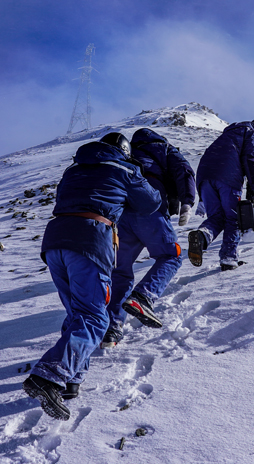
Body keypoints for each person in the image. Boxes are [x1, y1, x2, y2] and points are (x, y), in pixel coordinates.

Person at [23, 132, 161, 421]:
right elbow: (150, 203)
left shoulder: (73, 168)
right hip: (90, 240)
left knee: (78, 314)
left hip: (55, 240)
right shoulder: (124, 168)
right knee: (96, 318)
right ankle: (48, 375)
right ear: (123, 151)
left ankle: (70, 379)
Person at [102, 128, 197, 347]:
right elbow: (184, 170)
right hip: (150, 208)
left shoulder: (126, 152)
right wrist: (187, 202)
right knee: (171, 256)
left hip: (122, 215)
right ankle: (144, 296)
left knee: (119, 271)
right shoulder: (163, 148)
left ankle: (111, 329)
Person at [187, 119, 254, 271]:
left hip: (204, 177)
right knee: (233, 218)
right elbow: (250, 159)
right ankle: (229, 258)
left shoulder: (226, 136)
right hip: (228, 177)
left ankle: (202, 236)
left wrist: (202, 197)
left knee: (216, 217)